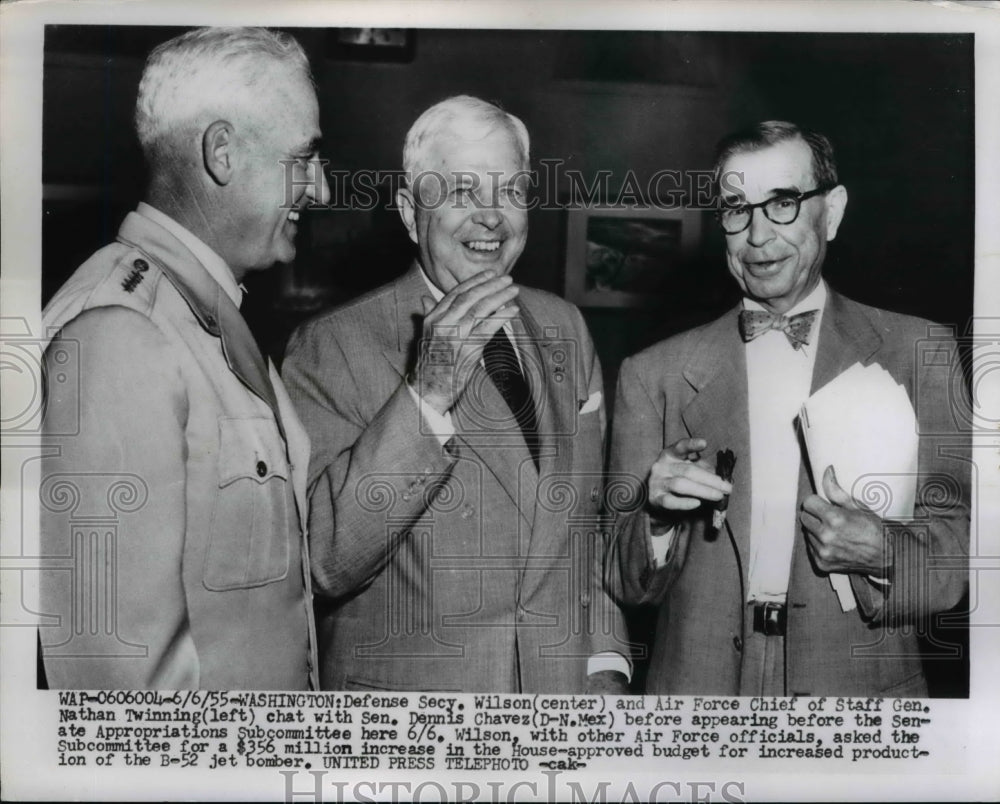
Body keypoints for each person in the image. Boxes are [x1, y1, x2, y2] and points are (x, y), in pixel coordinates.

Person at [610, 121, 969, 697]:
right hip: (699, 689)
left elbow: (962, 557)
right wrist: (656, 518)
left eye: (782, 203)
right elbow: (623, 582)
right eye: (736, 209)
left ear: (832, 212)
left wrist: (883, 552)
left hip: (859, 691)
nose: (757, 236)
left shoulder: (919, 352)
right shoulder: (652, 375)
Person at [283, 95, 629, 693]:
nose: (491, 217)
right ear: (409, 213)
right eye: (462, 191)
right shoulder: (332, 345)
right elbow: (324, 562)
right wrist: (426, 396)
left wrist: (605, 665)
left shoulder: (566, 328)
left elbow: (582, 534)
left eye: (510, 191)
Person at [39, 27, 330, 689]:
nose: (319, 189)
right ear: (222, 153)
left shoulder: (201, 316)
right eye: (304, 157)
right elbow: (121, 701)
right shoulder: (119, 334)